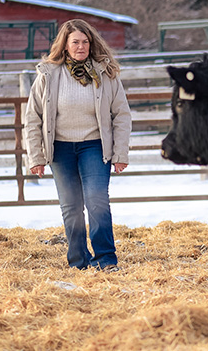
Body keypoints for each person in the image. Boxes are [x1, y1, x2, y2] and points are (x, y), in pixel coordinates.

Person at [24, 19, 132, 271]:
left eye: (85, 42)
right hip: (60, 149)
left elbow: (122, 114)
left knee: (96, 200)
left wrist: (120, 152)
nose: (81, 47)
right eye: (75, 42)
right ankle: (79, 263)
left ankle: (106, 260)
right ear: (65, 45)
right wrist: (36, 157)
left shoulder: (106, 74)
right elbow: (32, 117)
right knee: (71, 207)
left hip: (94, 146)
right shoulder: (48, 74)